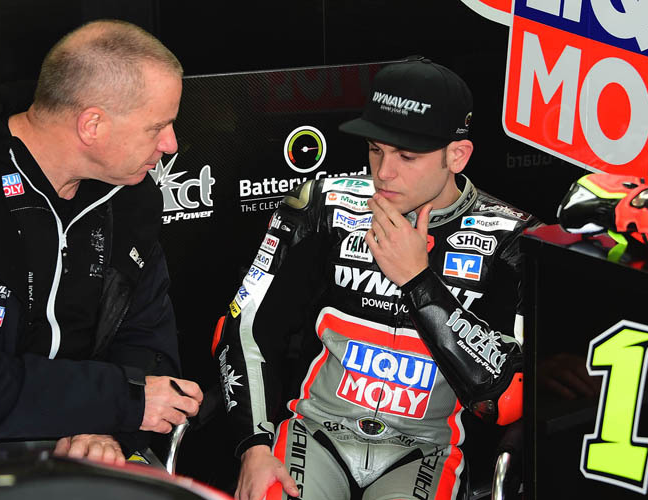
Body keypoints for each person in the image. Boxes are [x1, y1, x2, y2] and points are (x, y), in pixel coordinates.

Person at [213, 56, 536, 500]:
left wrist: (419, 282)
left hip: (427, 450)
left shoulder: (510, 237)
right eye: (376, 149)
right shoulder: (321, 208)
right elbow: (244, 328)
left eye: (407, 156)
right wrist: (254, 445)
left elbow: (507, 399)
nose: (384, 173)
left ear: (456, 155)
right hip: (315, 433)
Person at [0, 19, 203, 465]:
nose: (171, 144)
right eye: (158, 126)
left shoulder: (131, 200)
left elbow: (151, 343)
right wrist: (116, 400)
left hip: (84, 442)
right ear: (92, 125)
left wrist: (104, 427)